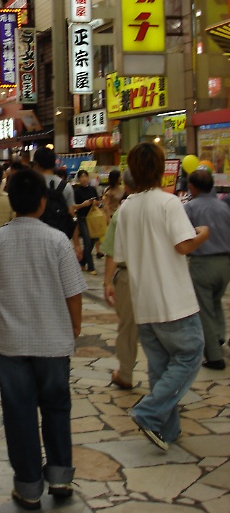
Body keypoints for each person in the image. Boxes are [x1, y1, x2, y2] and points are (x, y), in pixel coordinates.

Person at [0, 169, 86, 510]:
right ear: (41, 202)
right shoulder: (58, 242)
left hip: (12, 345)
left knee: (19, 414)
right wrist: (75, 327)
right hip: (54, 343)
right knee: (56, 407)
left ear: (11, 202)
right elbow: (74, 293)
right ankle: (61, 477)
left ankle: (28, 487)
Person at [114, 142, 209, 451]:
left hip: (145, 303)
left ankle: (168, 431)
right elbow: (184, 245)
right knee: (190, 355)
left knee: (160, 369)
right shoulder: (169, 204)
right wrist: (202, 235)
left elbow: (121, 254)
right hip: (175, 300)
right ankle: (148, 412)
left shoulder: (127, 206)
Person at [183, 168, 230, 370]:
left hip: (202, 263)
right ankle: (219, 336)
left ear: (192, 187)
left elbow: (183, 236)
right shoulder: (224, 207)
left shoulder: (190, 208)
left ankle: (214, 356)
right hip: (225, 263)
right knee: (216, 302)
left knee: (204, 309)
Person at [102, 169, 138, 389]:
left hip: (128, 275)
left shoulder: (124, 212)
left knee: (127, 327)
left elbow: (112, 251)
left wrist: (107, 282)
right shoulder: (169, 205)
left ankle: (125, 373)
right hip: (158, 274)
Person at [73, 170, 99, 274]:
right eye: (81, 177)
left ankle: (83, 262)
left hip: (92, 218)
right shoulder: (76, 191)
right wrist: (83, 205)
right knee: (87, 241)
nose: (84, 179)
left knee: (93, 239)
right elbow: (73, 206)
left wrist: (96, 203)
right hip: (82, 218)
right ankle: (91, 267)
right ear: (79, 179)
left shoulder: (92, 189)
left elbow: (98, 201)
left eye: (85, 176)